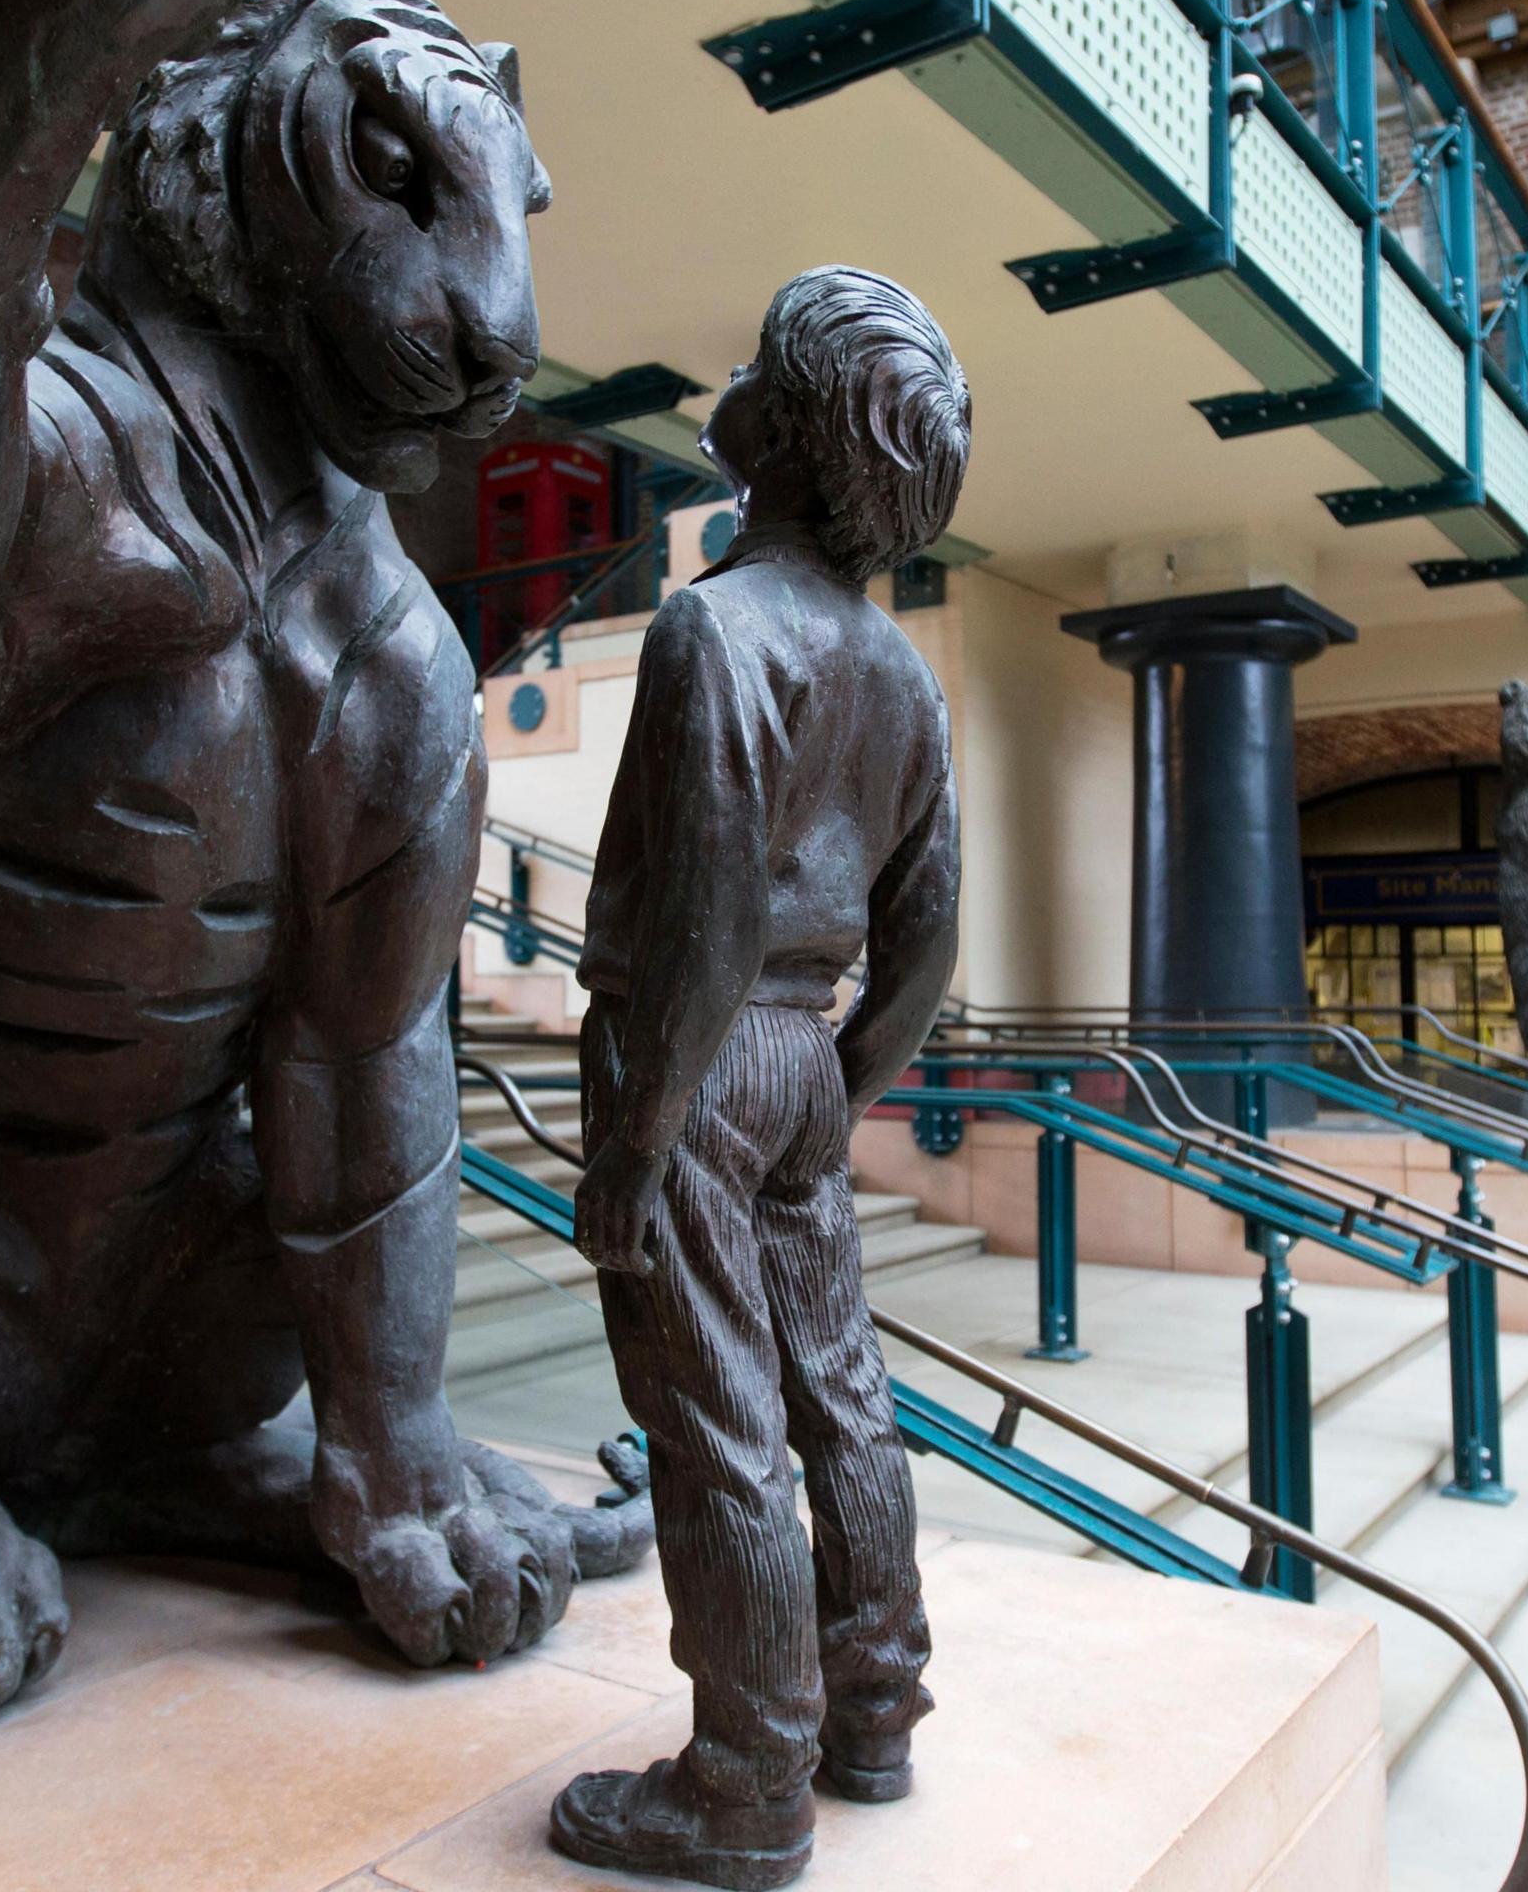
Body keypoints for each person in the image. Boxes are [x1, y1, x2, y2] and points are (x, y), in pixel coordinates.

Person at [548, 267, 972, 1890]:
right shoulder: (904, 679)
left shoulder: (709, 627)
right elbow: (925, 950)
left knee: (714, 1414)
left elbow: (710, 907)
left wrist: (644, 1137)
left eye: (750, 370)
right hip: (805, 1056)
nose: (718, 380)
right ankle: (874, 1710)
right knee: (841, 1394)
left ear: (782, 433)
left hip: (697, 1046)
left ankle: (744, 1779)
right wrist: (834, 1083)